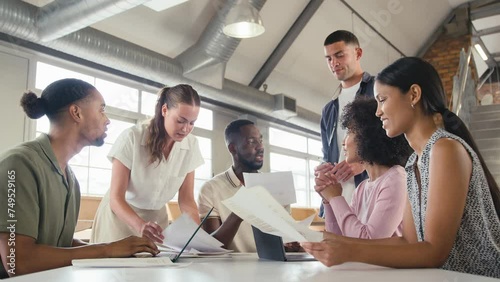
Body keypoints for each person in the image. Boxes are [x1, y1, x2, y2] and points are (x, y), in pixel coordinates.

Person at [301, 57, 500, 278]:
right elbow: (409, 242)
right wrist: (336, 241)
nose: (378, 112)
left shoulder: (445, 149)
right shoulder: (414, 162)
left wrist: (350, 249)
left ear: (414, 95)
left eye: (382, 100)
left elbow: (435, 252)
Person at [0, 79, 158, 278]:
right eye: (101, 110)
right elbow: (17, 261)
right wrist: (107, 250)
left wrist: (117, 253)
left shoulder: (71, 180)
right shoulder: (18, 165)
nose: (107, 119)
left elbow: (60, 245)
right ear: (76, 112)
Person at [91, 84, 204, 244]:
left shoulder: (191, 145)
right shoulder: (132, 137)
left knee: (156, 267)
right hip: (121, 216)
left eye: (192, 123)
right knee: (118, 267)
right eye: (180, 121)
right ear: (164, 110)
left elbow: (186, 200)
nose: (186, 129)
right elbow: (116, 198)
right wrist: (140, 226)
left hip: (156, 220)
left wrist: (197, 236)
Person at [315, 98, 411, 239]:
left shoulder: (396, 178)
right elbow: (338, 238)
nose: (343, 142)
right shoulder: (361, 188)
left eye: (350, 132)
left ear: (368, 136)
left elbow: (368, 241)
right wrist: (328, 200)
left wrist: (336, 197)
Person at [318, 30, 375, 216]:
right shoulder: (329, 109)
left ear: (358, 53)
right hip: (338, 201)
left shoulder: (378, 90)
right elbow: (329, 154)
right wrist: (324, 168)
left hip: (371, 197)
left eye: (339, 55)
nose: (334, 63)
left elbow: (399, 145)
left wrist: (363, 165)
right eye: (328, 59)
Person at [197, 119, 263, 252]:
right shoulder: (210, 189)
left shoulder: (274, 185)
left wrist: (294, 245)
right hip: (230, 269)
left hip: (274, 267)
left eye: (260, 140)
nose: (260, 147)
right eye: (251, 142)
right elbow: (213, 247)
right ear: (233, 148)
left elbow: (284, 241)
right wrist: (238, 213)